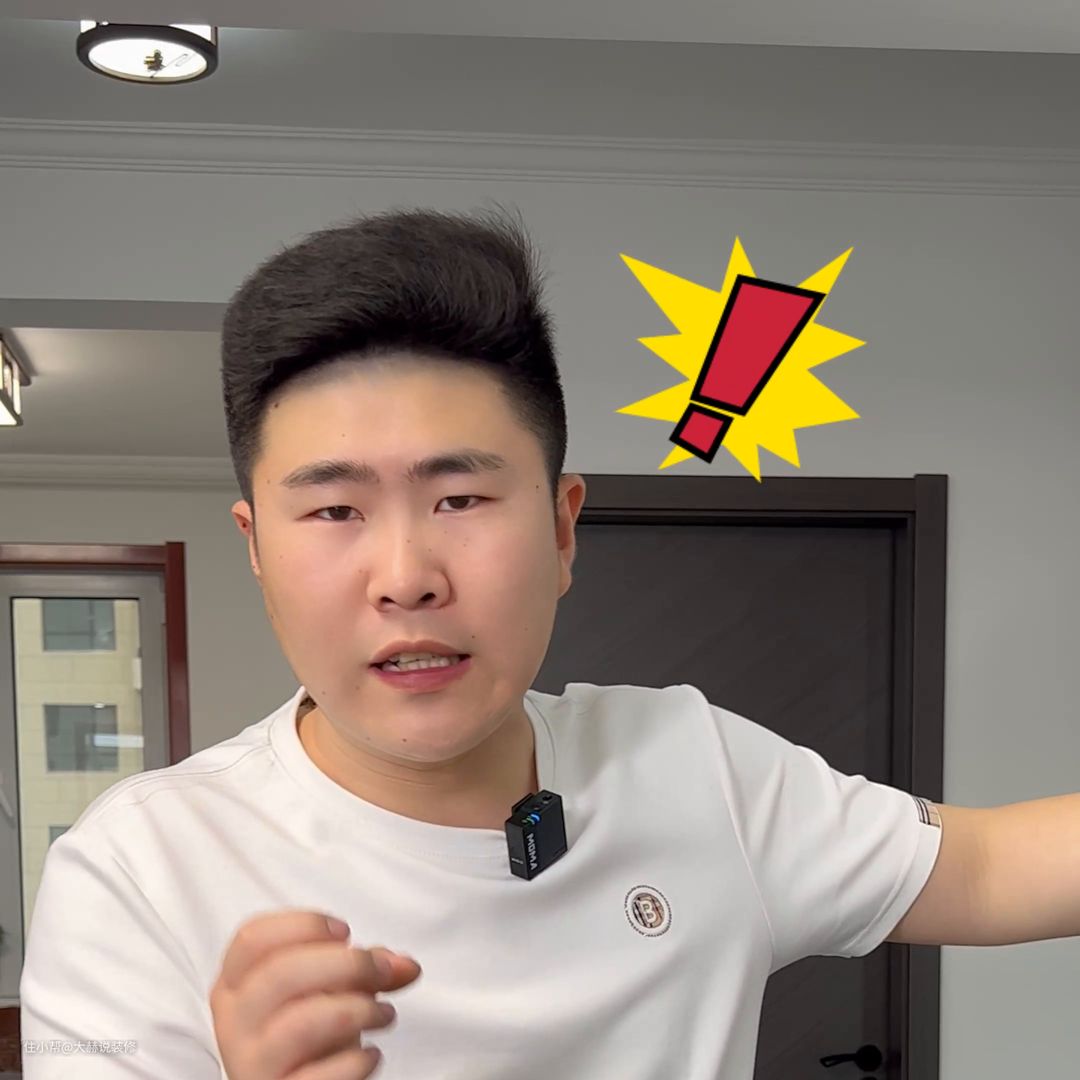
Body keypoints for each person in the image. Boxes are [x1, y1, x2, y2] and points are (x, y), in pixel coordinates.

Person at [19, 207, 948, 1078]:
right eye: (335, 510)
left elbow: (997, 865)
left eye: (459, 499)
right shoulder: (139, 869)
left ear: (562, 529)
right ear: (256, 548)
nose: (406, 576)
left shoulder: (695, 767)